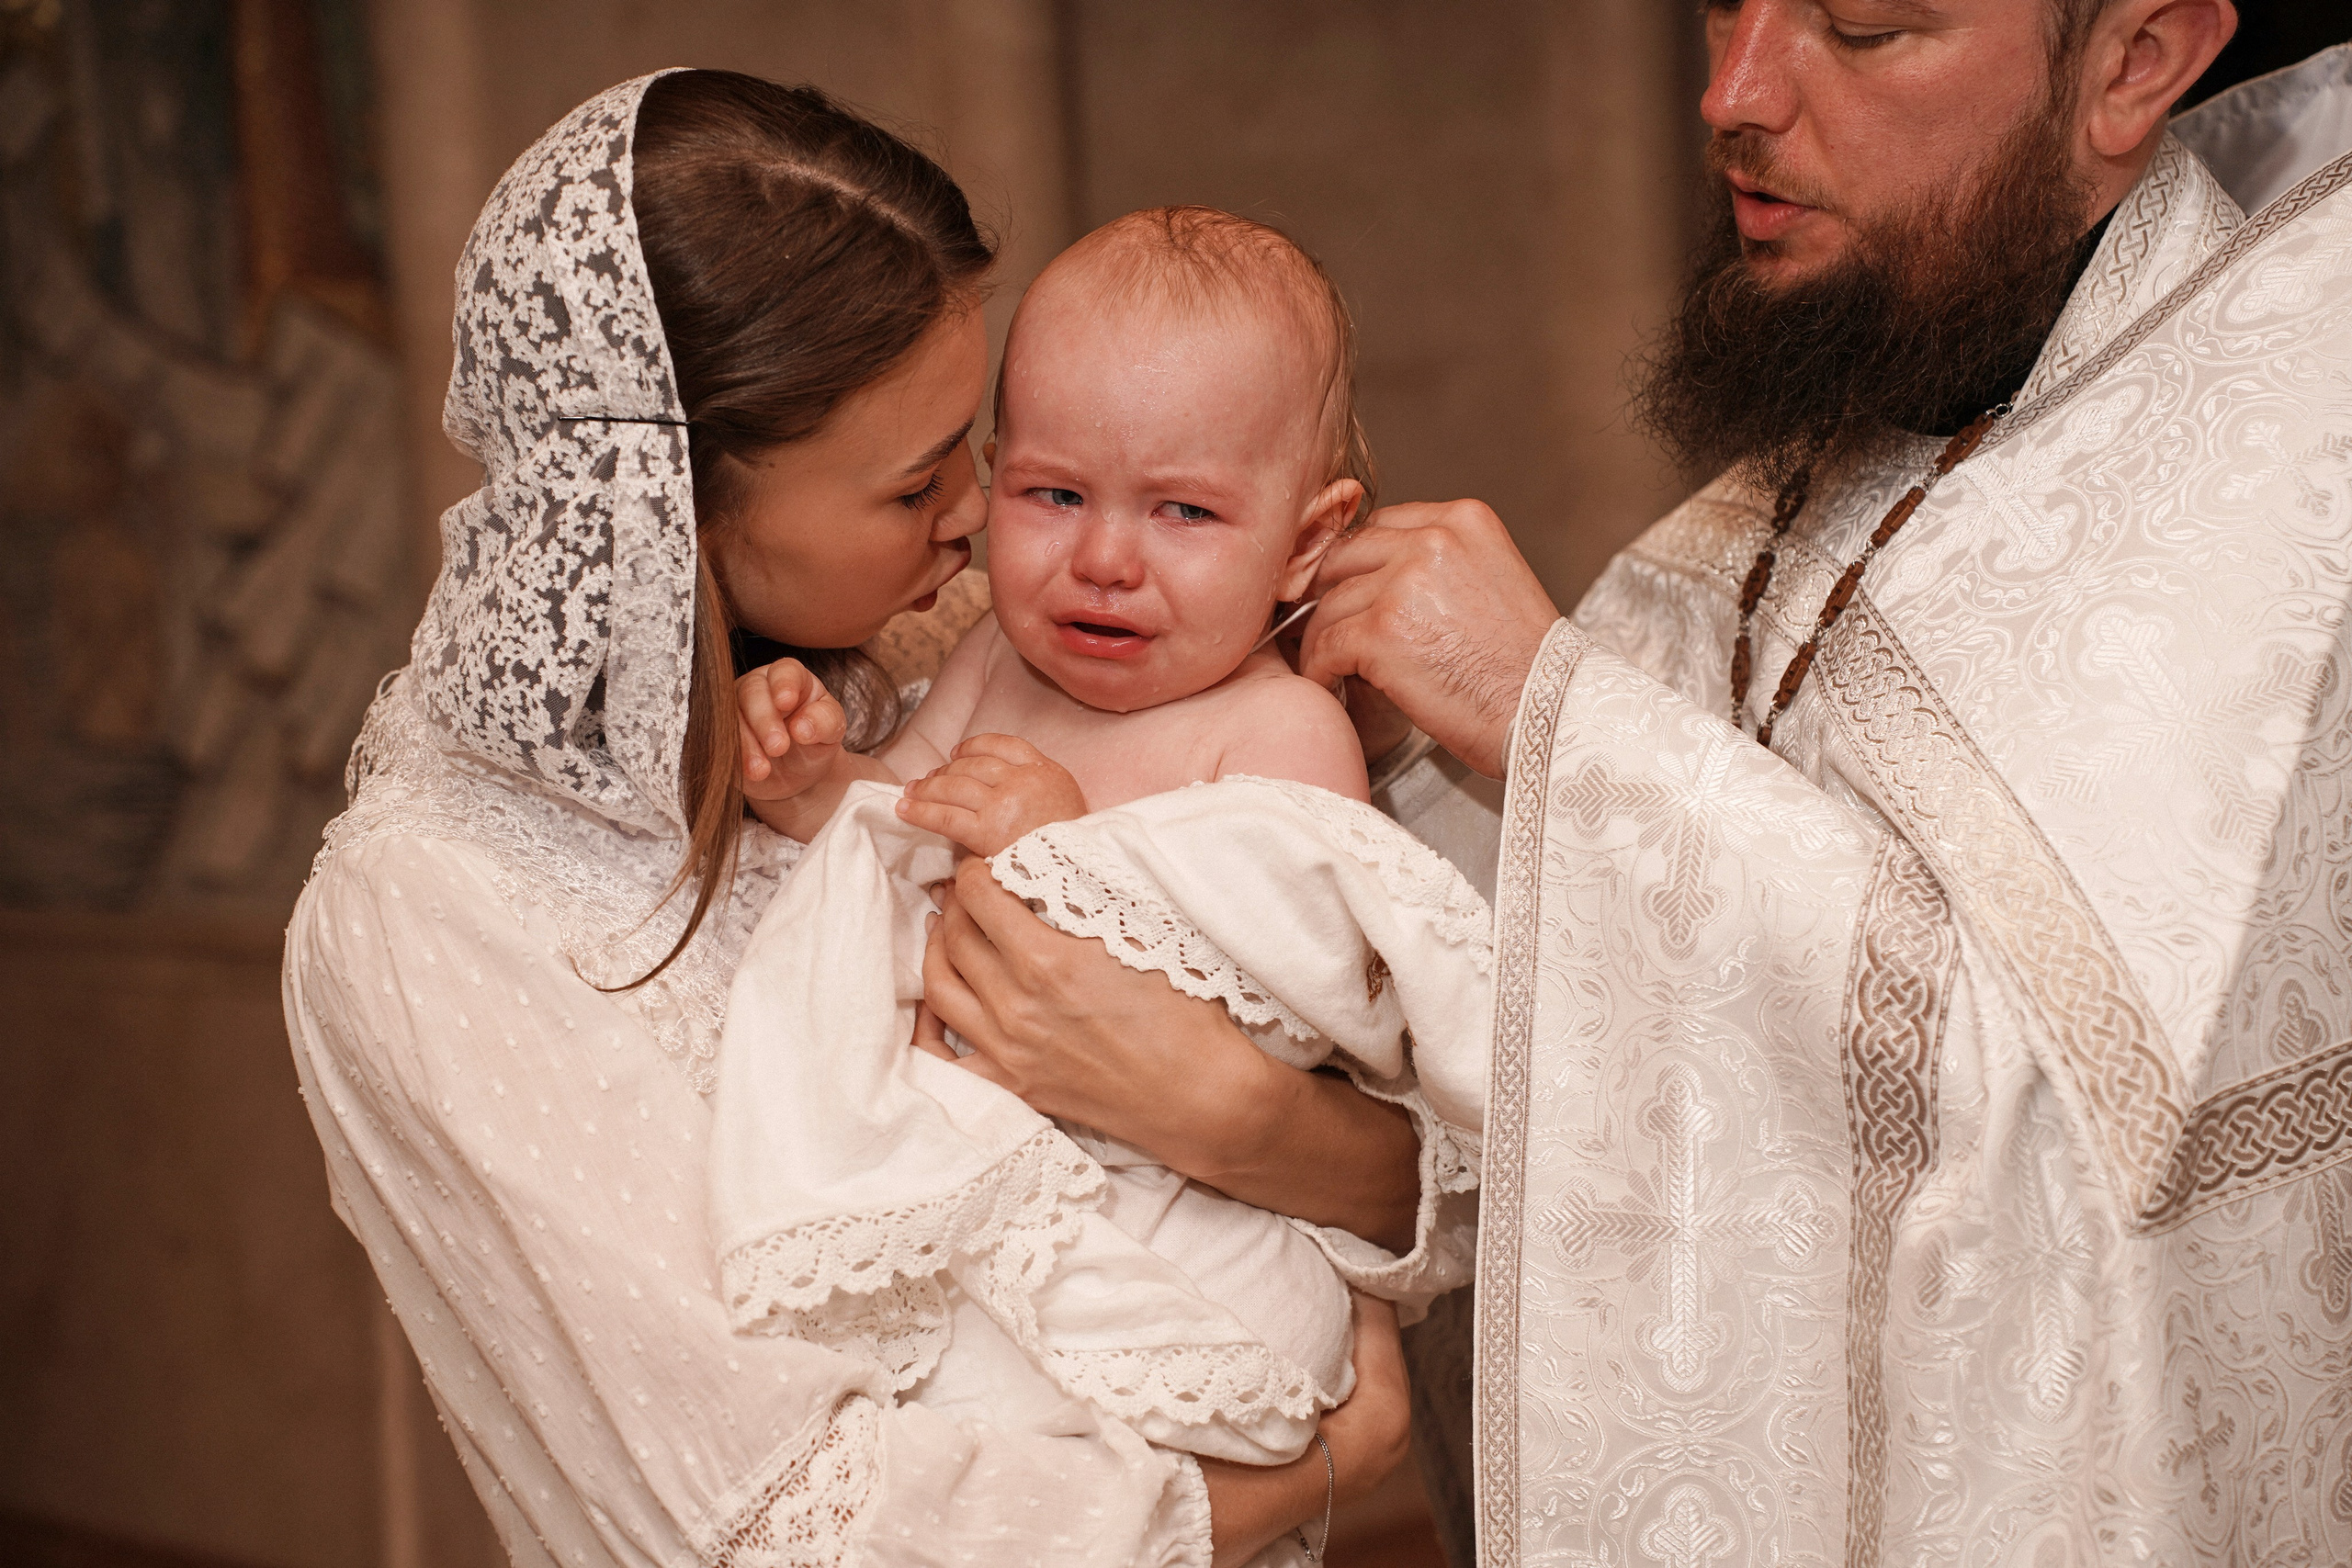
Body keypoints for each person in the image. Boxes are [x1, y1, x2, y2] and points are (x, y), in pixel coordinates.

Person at [280, 69, 1441, 1568]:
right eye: (914, 484)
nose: (981, 514)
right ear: (680, 514)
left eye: (978, 444)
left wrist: (1245, 1119)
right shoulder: (433, 913)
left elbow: (1415, 1134)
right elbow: (784, 1524)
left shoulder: (957, 654)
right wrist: (1319, 1471)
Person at [1240, 3, 2346, 1563]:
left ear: (2136, 60)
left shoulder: (2289, 504)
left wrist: (1557, 720)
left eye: (1865, 26)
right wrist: (1395, 780)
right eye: (1723, 2)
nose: (1732, 94)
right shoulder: (1886, 393)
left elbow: (2110, 1179)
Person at [701, 208, 1488, 1495]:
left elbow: (1293, 1007)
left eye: (1182, 511)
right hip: (985, 1169)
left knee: (1148, 1397)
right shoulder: (994, 660)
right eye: (1054, 494)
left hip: (1179, 1216)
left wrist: (1063, 857)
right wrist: (814, 782)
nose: (1105, 559)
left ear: (1303, 541)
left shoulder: (1279, 728)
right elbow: (895, 830)